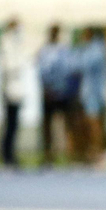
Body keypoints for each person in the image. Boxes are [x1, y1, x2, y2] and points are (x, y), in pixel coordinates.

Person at [37, 25, 80, 167]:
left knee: (67, 125)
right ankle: (50, 156)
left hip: (61, 92)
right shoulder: (47, 51)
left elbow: (71, 71)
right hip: (52, 92)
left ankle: (69, 155)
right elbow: (41, 72)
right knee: (49, 127)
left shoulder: (63, 51)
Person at [0, 18, 32, 169]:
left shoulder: (16, 43)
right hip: (9, 88)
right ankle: (6, 155)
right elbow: (9, 65)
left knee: (14, 124)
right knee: (9, 124)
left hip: (16, 88)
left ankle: (10, 154)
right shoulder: (6, 42)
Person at [73, 27, 106, 165]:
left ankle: (98, 154)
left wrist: (78, 52)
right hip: (89, 93)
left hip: (94, 93)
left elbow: (80, 66)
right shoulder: (91, 49)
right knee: (87, 124)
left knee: (94, 124)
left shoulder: (96, 50)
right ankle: (90, 154)